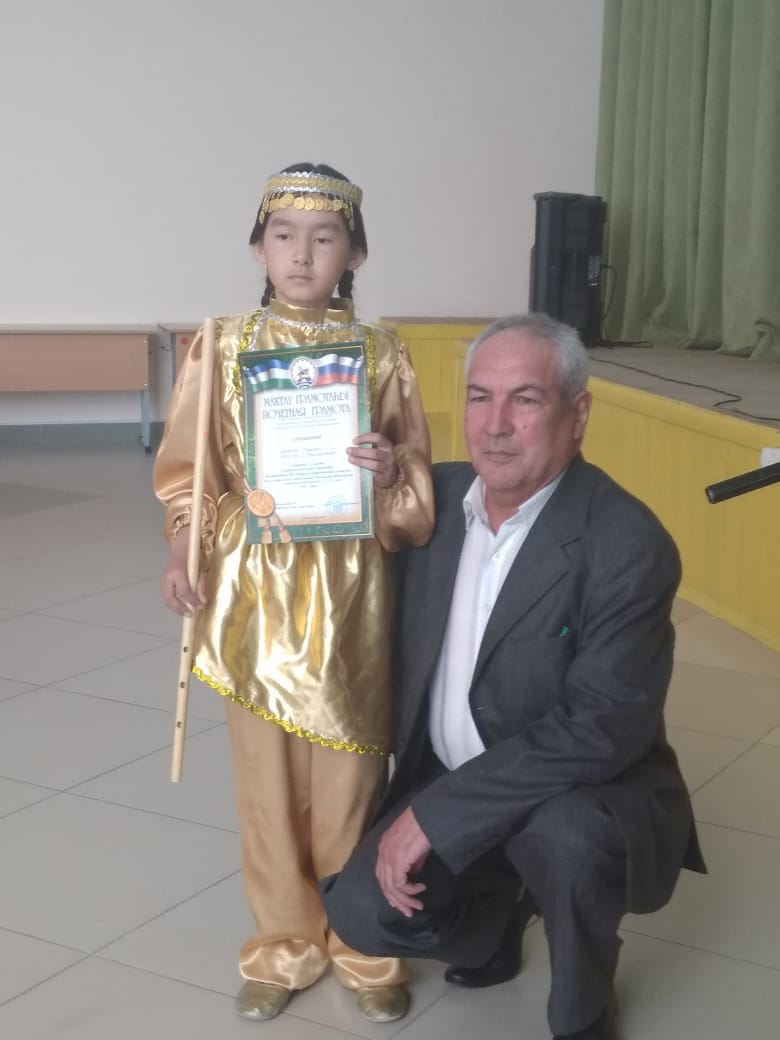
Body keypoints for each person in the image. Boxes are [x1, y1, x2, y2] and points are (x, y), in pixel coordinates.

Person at [321, 313, 706, 1040]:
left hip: (574, 787)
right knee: (359, 913)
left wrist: (436, 817)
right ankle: (498, 918)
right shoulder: (430, 502)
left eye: (525, 400)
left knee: (569, 841)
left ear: (577, 415)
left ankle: (584, 1002)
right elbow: (329, 573)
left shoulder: (628, 542)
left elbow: (601, 727)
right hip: (450, 767)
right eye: (479, 397)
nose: (495, 425)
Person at [153, 162, 433, 1024]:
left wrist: (388, 472)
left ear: (355, 253)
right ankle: (282, 943)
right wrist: (184, 550)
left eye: (324, 237)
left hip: (349, 592)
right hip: (252, 587)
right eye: (284, 236)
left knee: (351, 777)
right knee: (266, 785)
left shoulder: (382, 354)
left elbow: (417, 498)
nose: (302, 254)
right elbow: (189, 474)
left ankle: (360, 939)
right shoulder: (222, 345)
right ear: (258, 248)